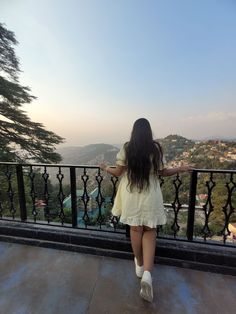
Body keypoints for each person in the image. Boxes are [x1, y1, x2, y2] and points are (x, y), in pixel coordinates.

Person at [100, 118, 192, 303]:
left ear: (133, 131)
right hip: (151, 193)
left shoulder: (127, 148)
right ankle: (148, 274)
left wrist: (104, 167)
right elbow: (162, 172)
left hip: (131, 193)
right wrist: (180, 168)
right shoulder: (156, 148)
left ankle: (139, 266)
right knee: (150, 230)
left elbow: (118, 172)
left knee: (135, 229)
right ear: (149, 131)